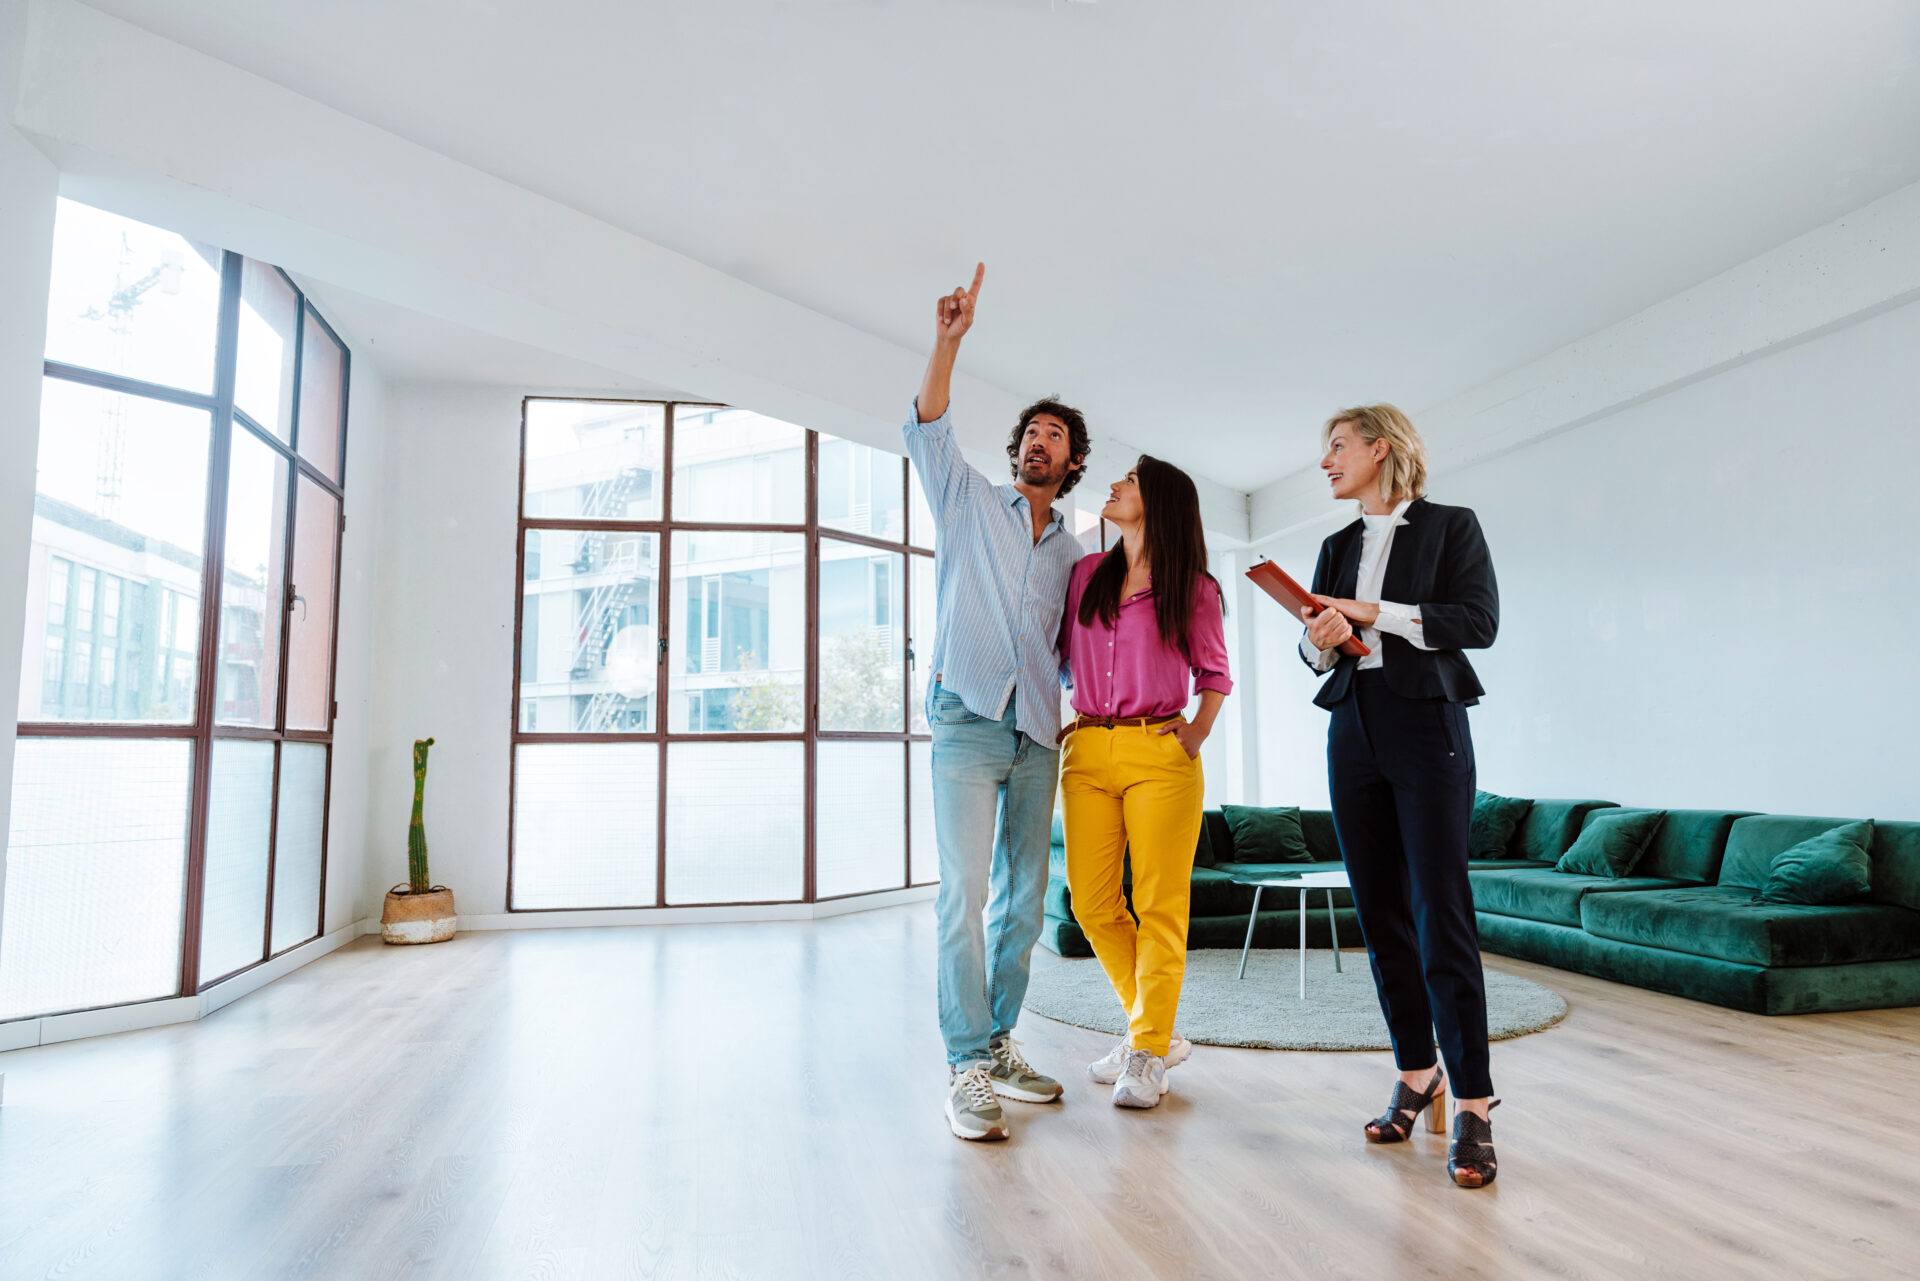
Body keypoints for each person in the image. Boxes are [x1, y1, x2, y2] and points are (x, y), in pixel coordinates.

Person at [903, 263, 1089, 1142]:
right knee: (963, 894)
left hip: (1038, 736)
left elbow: (1080, 645)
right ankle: (965, 1062)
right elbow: (929, 425)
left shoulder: (1074, 555)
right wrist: (949, 340)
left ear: (1072, 461)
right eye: (1030, 432)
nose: (1038, 442)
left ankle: (1001, 1039)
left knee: (1024, 901)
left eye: (1054, 435)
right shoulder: (969, 500)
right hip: (967, 719)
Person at [1297, 404, 1503, 1188]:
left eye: (1338, 447)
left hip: (1427, 725)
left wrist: (1368, 611)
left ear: (1380, 448)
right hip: (1353, 727)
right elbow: (1320, 641)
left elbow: (1477, 622)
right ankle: (1417, 1072)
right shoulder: (1334, 545)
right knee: (1379, 912)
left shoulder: (1452, 526)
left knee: (1438, 911)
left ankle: (1476, 1101)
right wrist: (1318, 638)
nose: (1327, 461)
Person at [1057, 457, 1230, 1108]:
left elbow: (1214, 673)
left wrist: (1197, 733)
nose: (1113, 486)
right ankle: (1148, 1029)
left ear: (1157, 501)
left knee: (1159, 904)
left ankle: (1149, 1049)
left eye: (1128, 480)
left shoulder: (1193, 587)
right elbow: (1053, 652)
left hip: (1159, 748)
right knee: (1093, 903)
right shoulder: (1084, 576)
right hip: (1087, 749)